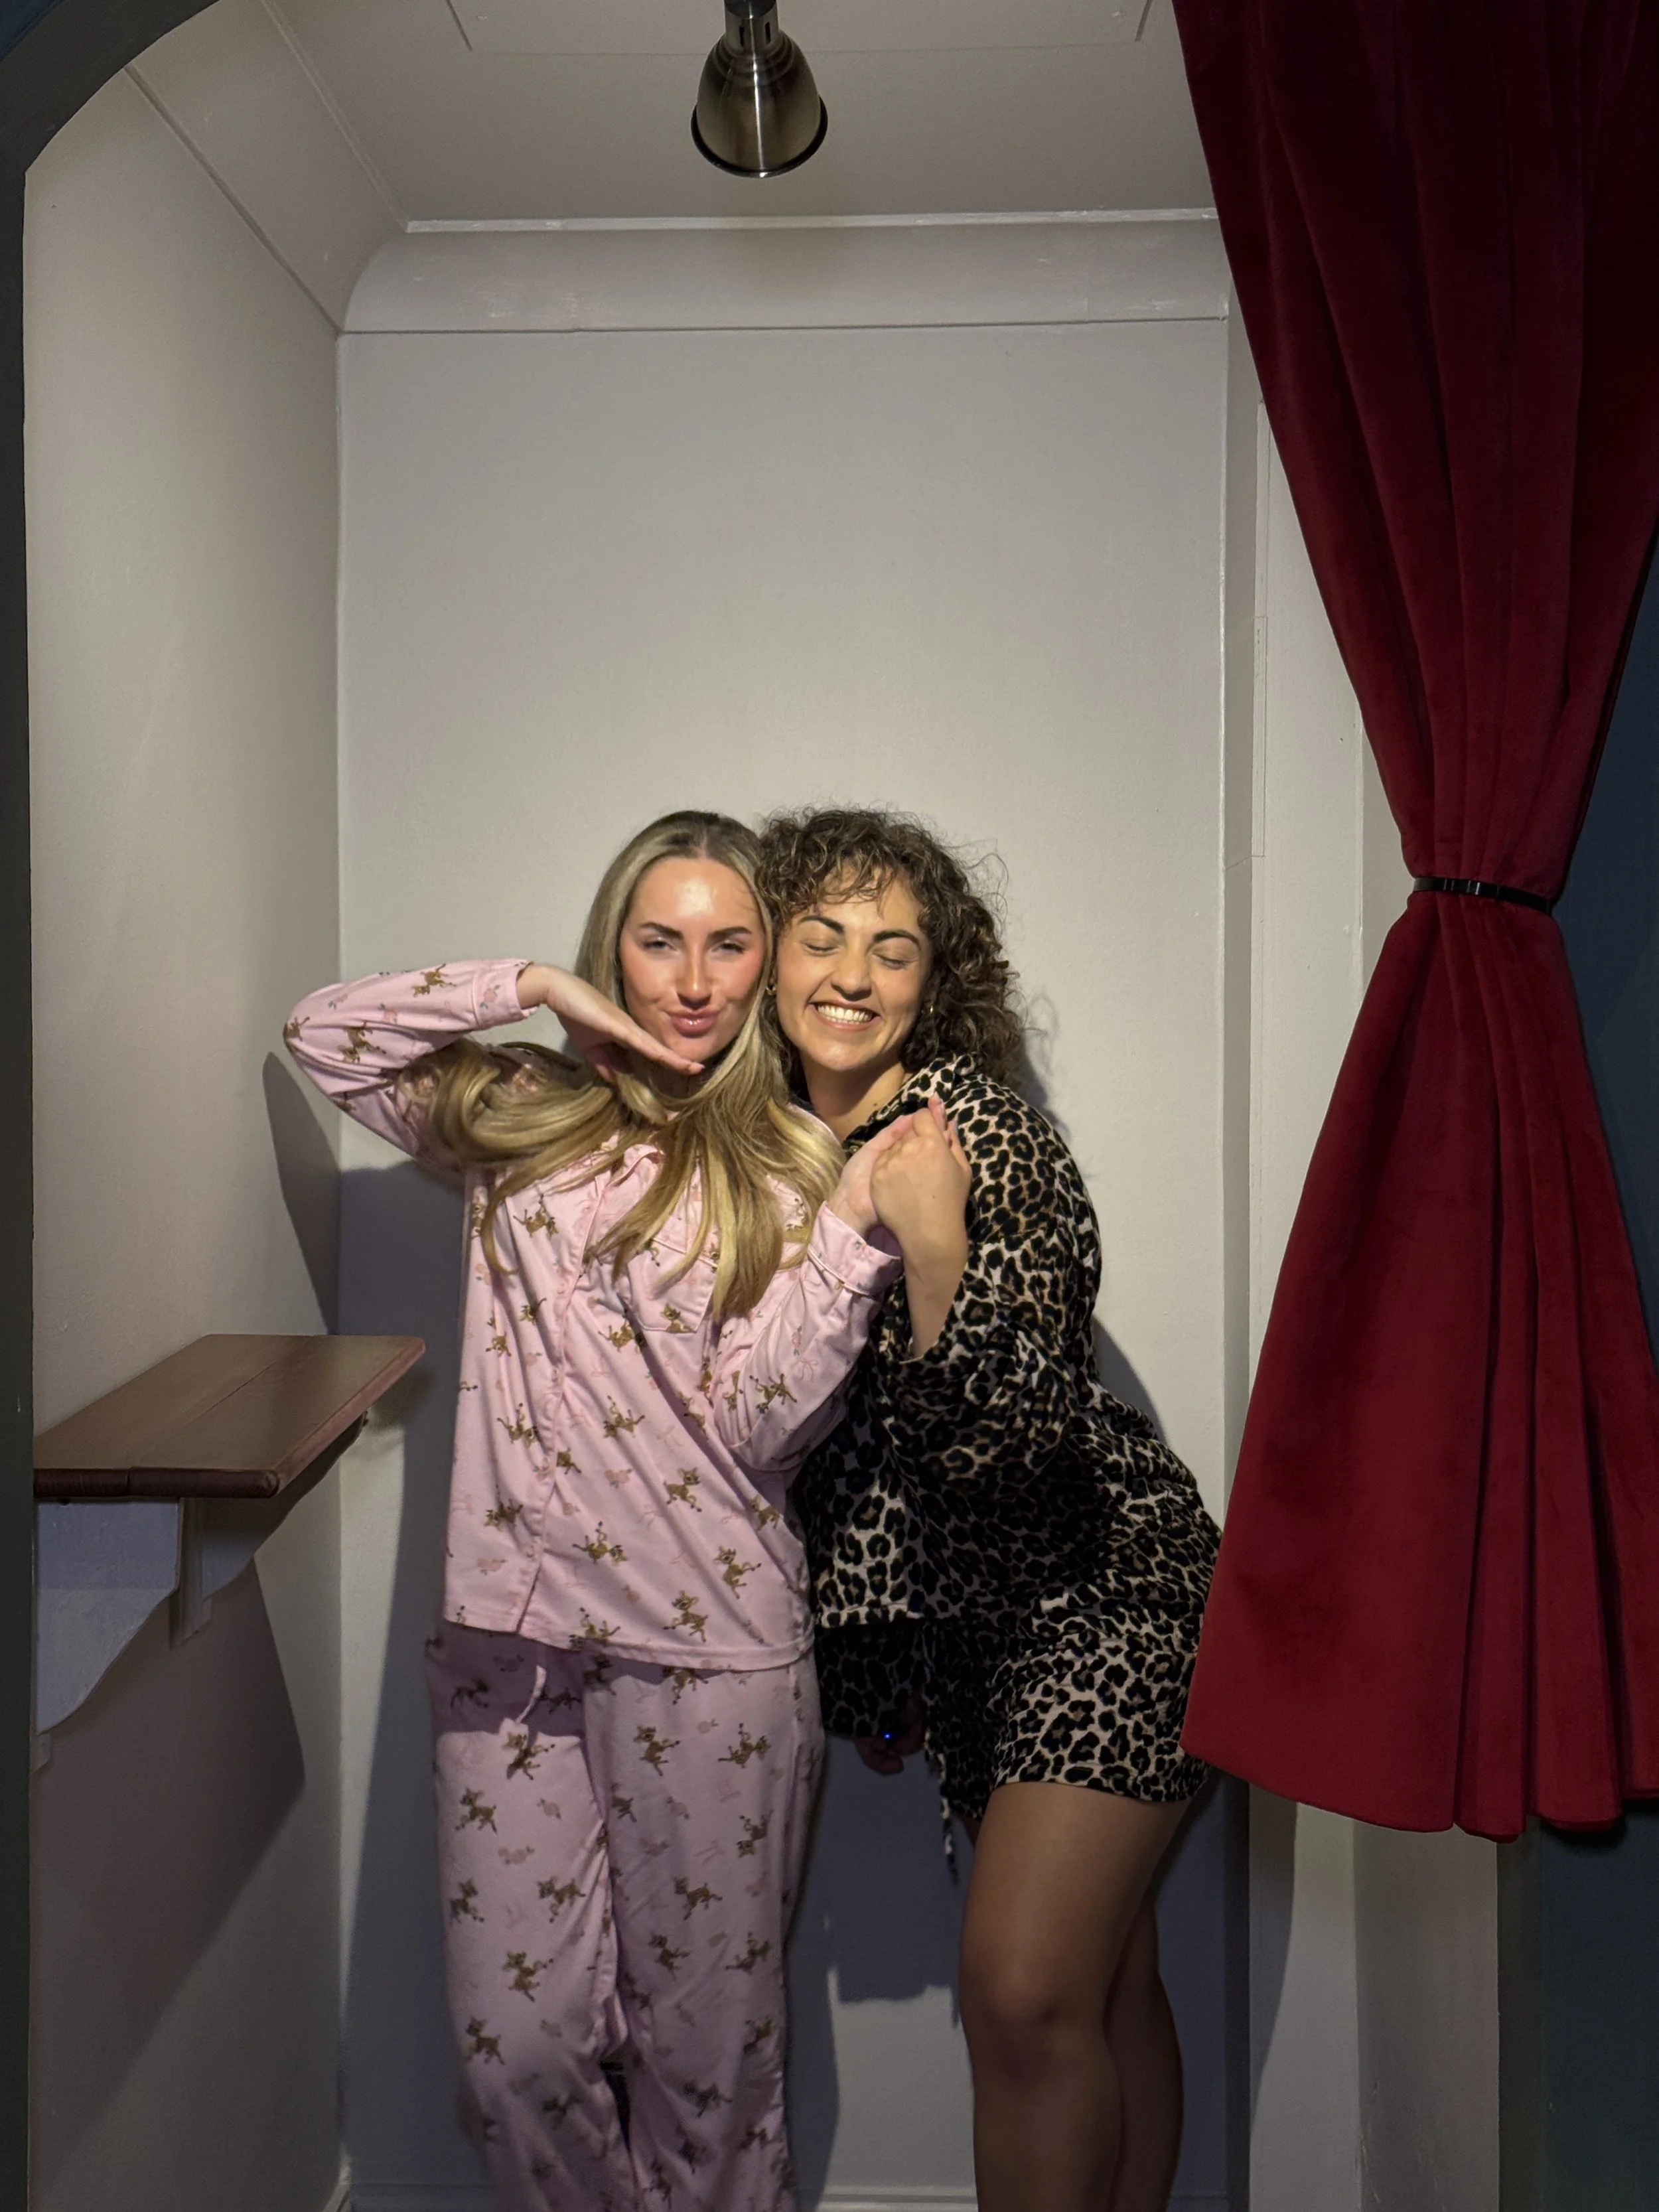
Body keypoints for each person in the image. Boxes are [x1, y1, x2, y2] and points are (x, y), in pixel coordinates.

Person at [286, 811, 913, 2212]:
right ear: (611, 948)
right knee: (514, 2058)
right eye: (655, 940)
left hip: (712, 1656)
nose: (691, 978)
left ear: (762, 966)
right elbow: (323, 1034)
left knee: (709, 2078)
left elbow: (764, 1425)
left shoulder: (795, 1164)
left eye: (727, 943)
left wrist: (849, 1241)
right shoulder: (517, 1110)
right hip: (508, 1644)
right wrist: (530, 990)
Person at [757, 806, 1220, 2212]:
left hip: (1108, 1596)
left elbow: (1011, 1440)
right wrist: (887, 1662)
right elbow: (837, 1467)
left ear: (931, 983)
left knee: (1021, 1995)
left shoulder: (979, 1138)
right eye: (821, 934)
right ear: (771, 961)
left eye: (890, 949)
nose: (851, 971)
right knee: (1099, 1982)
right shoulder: (777, 1162)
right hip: (979, 1644)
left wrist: (939, 1239)